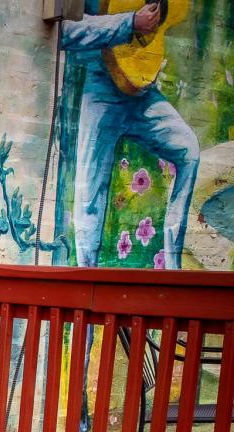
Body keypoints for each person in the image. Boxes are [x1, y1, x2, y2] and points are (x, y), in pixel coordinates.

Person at [62, 2, 199, 269]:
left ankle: (172, 270)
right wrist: (130, 24)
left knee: (189, 151)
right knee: (88, 192)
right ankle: (85, 279)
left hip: (143, 91)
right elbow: (64, 32)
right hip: (100, 86)